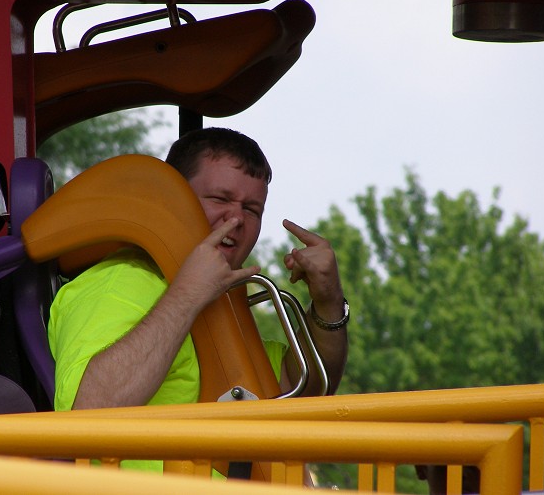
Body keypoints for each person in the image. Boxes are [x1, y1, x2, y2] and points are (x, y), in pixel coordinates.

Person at [48, 127, 348, 415]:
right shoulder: (117, 282)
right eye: (220, 199)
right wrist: (187, 296)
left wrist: (328, 300)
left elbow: (304, 388)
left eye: (252, 209)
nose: (237, 218)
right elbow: (88, 410)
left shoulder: (225, 302)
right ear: (174, 202)